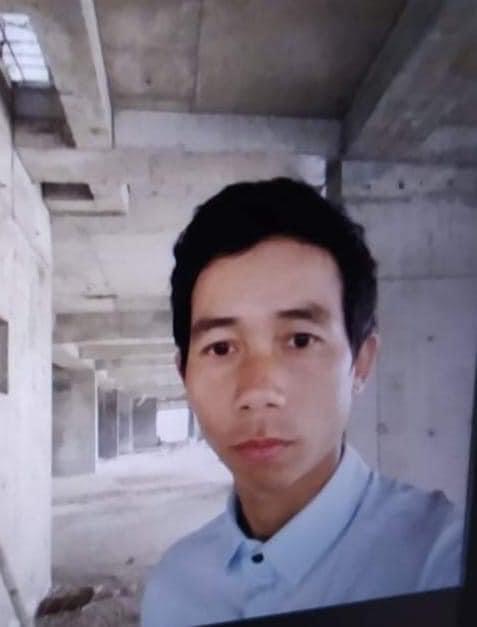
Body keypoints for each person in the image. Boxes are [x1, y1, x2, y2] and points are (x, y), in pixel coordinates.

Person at [141, 178, 464, 627]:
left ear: (361, 363)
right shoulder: (173, 590)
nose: (257, 391)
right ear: (184, 375)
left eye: (299, 340)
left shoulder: (442, 565)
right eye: (221, 347)